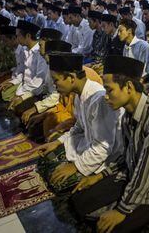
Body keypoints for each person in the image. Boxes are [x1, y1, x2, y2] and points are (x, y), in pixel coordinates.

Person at [70, 55, 149, 233]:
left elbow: (147, 167)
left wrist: (122, 210)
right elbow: (129, 155)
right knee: (79, 202)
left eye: (109, 90)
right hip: (135, 176)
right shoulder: (127, 115)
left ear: (129, 87)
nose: (106, 97)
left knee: (111, 228)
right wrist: (101, 176)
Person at [37, 52, 123, 193]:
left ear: (71, 78)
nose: (54, 84)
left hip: (106, 156)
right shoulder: (79, 95)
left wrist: (76, 166)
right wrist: (58, 142)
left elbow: (103, 147)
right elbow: (79, 126)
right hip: (86, 144)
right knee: (44, 161)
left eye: (56, 80)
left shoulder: (99, 100)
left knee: (58, 183)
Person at [5, 20, 48, 113]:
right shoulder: (25, 50)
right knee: (9, 98)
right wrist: (15, 83)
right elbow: (24, 73)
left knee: (18, 107)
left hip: (35, 90)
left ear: (28, 36)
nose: (17, 38)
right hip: (26, 86)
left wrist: (21, 94)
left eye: (18, 36)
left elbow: (38, 81)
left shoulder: (40, 52)